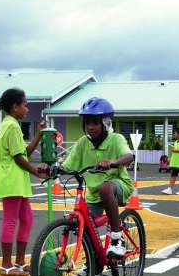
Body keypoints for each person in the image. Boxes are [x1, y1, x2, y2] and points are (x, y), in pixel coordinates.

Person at [58, 97, 135, 259]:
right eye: (87, 123)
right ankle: (93, 262)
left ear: (105, 123)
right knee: (83, 225)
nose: (90, 127)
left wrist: (113, 162)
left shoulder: (116, 139)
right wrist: (52, 168)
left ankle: (117, 238)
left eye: (95, 122)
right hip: (93, 193)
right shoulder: (82, 143)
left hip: (118, 185)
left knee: (105, 188)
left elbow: (129, 156)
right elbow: (68, 165)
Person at [0, 88, 46, 276]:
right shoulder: (11, 126)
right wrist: (37, 173)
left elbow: (24, 153)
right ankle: (6, 265)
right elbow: (18, 158)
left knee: (27, 219)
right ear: (15, 107)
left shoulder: (10, 124)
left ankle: (20, 261)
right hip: (11, 180)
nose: (27, 109)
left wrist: (38, 134)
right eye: (25, 105)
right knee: (11, 220)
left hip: (17, 180)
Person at [162, 127, 179, 195]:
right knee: (173, 175)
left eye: (175, 133)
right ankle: (170, 189)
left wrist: (176, 150)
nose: (174, 134)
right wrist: (170, 159)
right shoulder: (176, 142)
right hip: (175, 163)